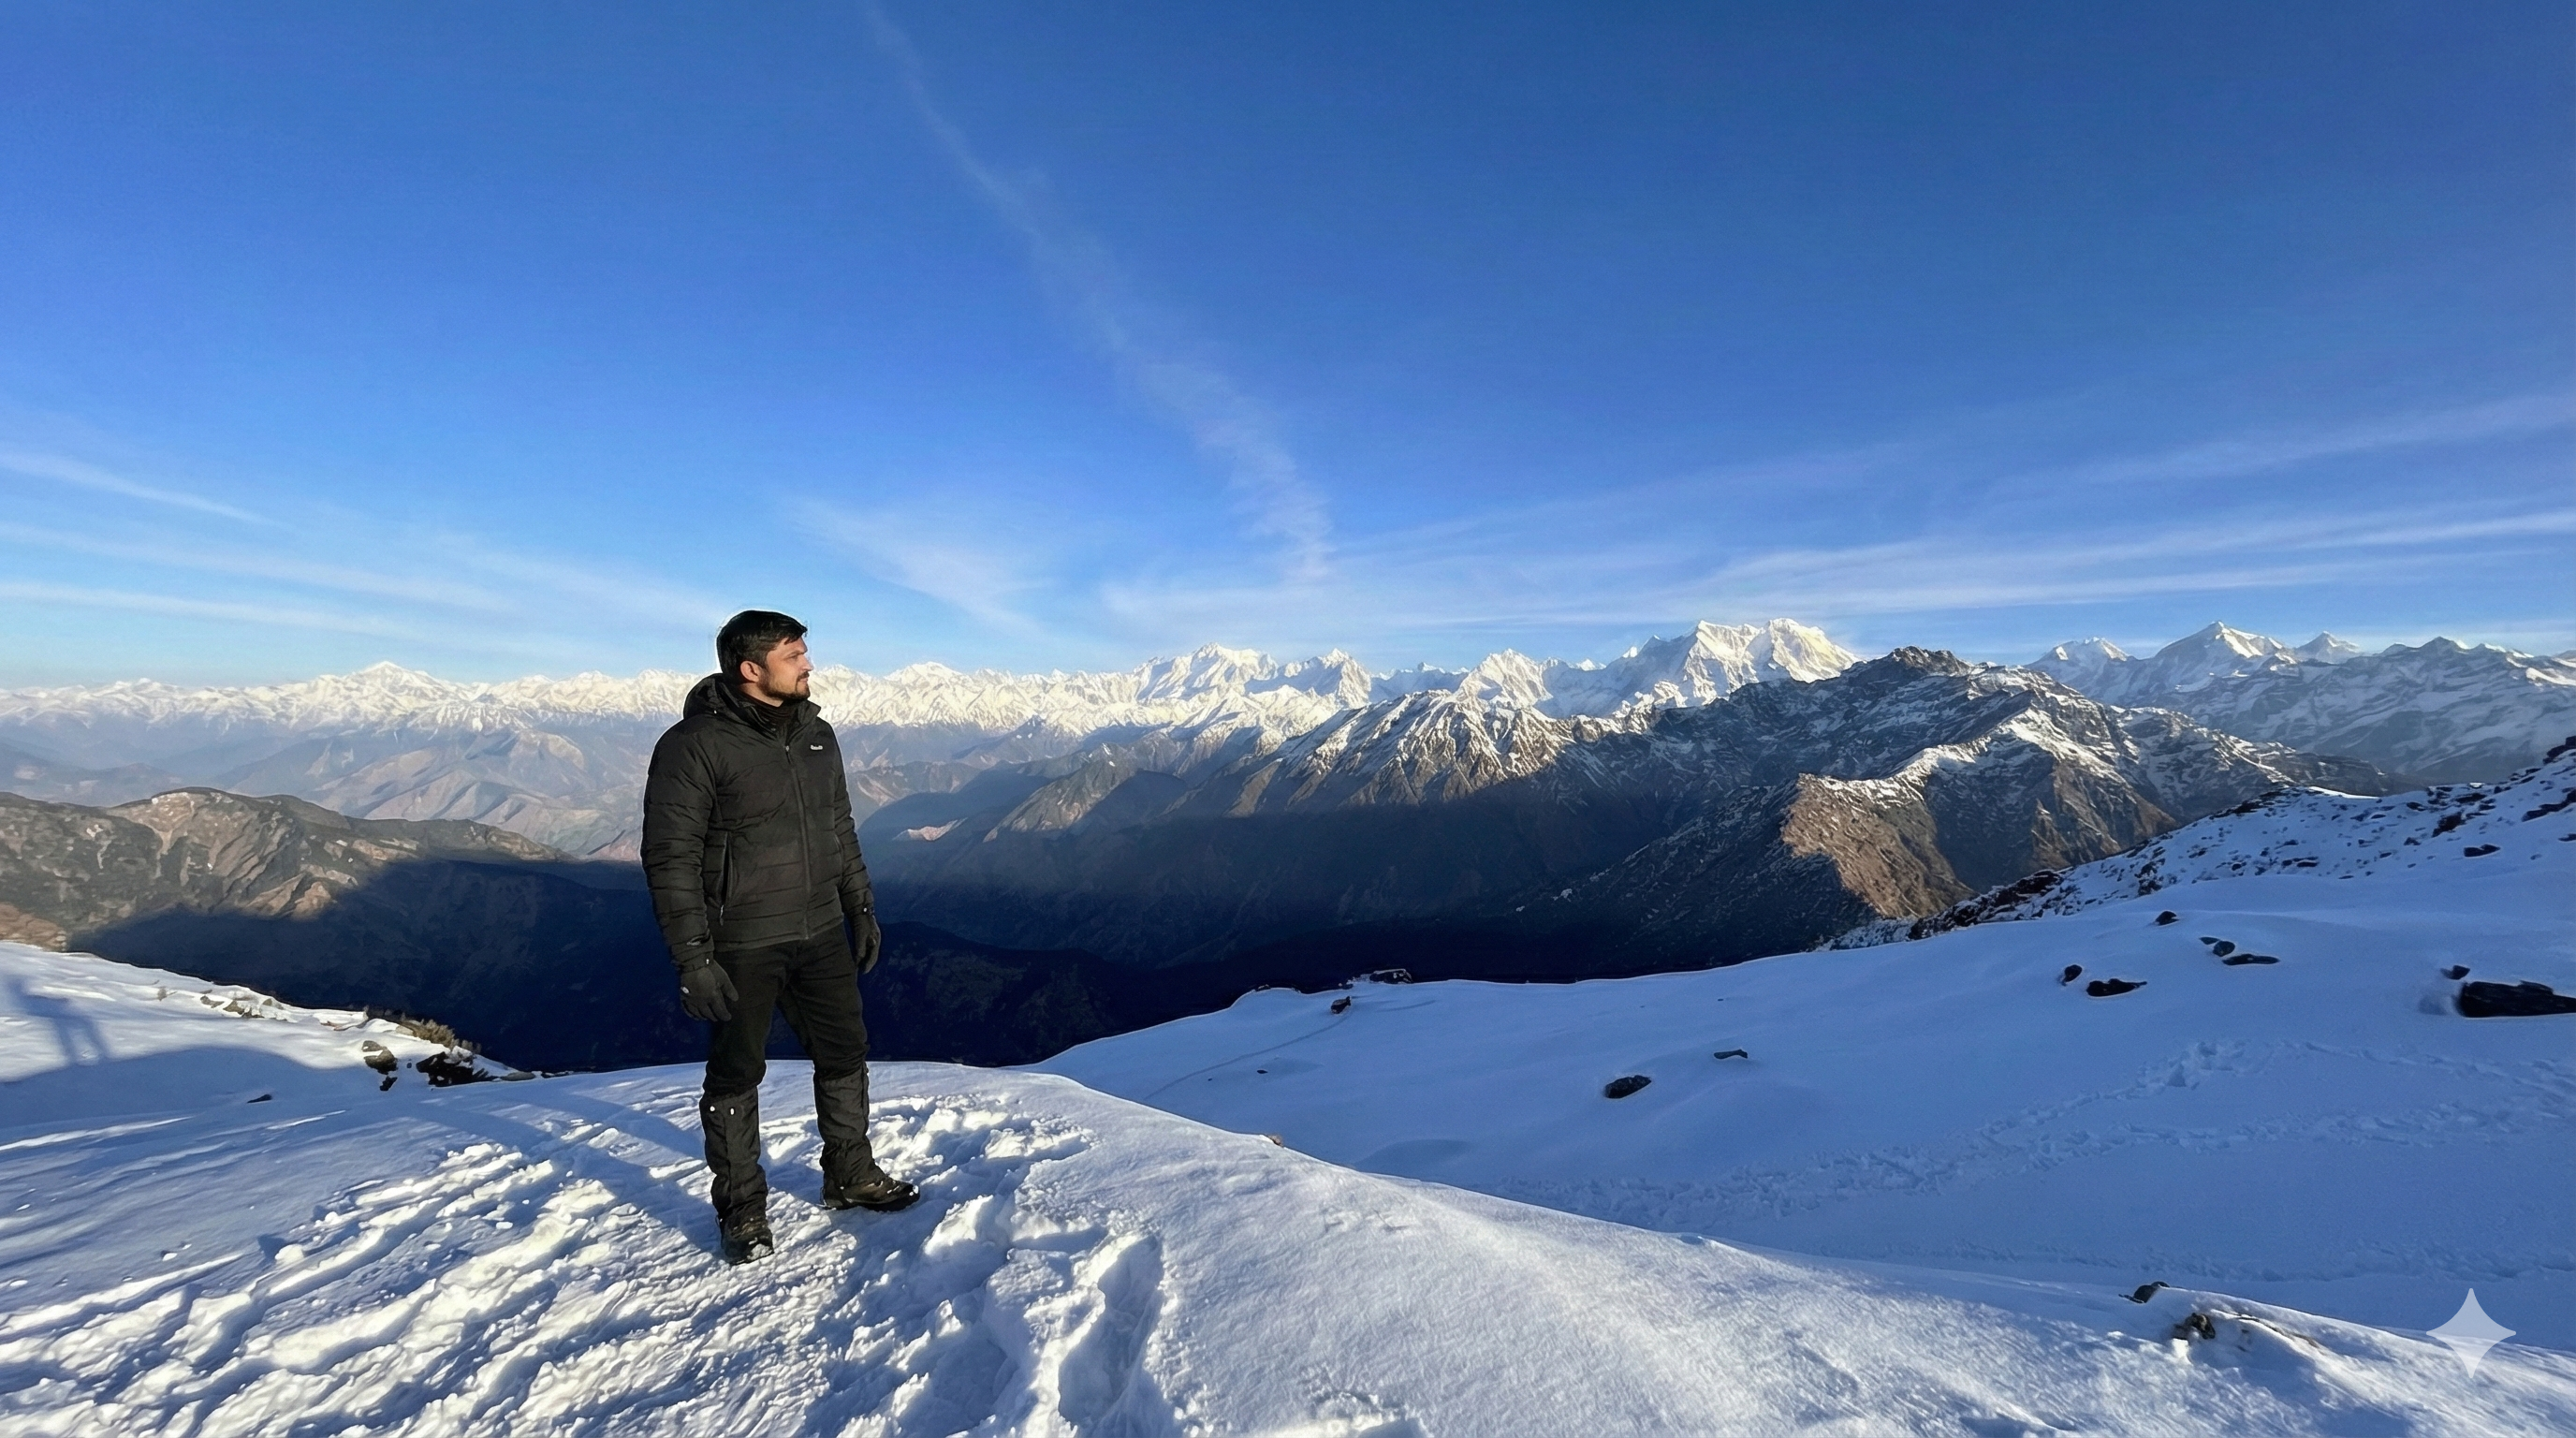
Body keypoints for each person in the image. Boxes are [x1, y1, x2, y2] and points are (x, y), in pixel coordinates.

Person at [641, 609, 917, 1265]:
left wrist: (861, 907)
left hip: (820, 927)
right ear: (750, 668)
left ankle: (849, 1175)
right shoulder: (693, 745)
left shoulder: (818, 735)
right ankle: (742, 1209)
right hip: (742, 939)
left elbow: (838, 826)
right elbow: (670, 857)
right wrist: (693, 958)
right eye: (795, 655)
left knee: (845, 1050)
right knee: (737, 1071)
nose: (809, 665)